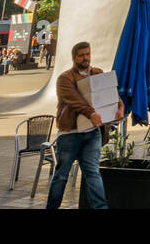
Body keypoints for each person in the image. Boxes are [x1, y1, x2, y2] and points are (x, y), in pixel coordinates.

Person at [47, 41, 121, 209]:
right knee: (61, 176)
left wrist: (120, 105)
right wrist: (91, 113)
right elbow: (75, 100)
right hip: (70, 134)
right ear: (74, 58)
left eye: (87, 54)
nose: (85, 58)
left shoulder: (97, 73)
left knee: (93, 173)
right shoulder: (65, 78)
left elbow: (109, 93)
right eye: (81, 55)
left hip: (92, 132)